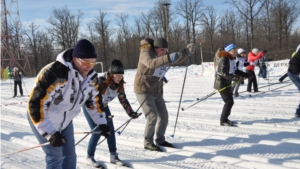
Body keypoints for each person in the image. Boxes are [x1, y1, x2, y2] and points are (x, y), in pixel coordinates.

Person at [27, 39, 111, 169]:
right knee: (56, 157)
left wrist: (102, 123)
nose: (89, 66)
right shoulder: (54, 73)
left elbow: (94, 101)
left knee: (70, 156)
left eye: (93, 63)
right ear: (74, 58)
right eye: (86, 62)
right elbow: (36, 103)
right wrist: (50, 133)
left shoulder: (91, 77)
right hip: (43, 117)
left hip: (66, 121)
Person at [135, 37, 195, 151]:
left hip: (156, 90)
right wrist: (168, 57)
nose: (164, 52)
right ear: (155, 48)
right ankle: (148, 142)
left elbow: (174, 59)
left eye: (166, 50)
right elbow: (151, 63)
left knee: (164, 115)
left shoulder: (163, 55)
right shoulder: (146, 52)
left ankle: (160, 139)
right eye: (162, 50)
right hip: (143, 89)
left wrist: (186, 52)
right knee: (152, 116)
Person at [82, 59, 139, 168]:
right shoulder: (101, 81)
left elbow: (123, 99)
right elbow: (89, 96)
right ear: (111, 74)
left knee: (110, 131)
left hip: (104, 107)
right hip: (91, 107)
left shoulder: (119, 84)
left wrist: (130, 112)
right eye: (117, 75)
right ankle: (89, 157)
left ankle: (113, 156)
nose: (119, 77)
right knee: (98, 131)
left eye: (121, 75)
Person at [214, 43, 251, 126]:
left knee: (230, 102)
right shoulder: (224, 59)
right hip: (221, 83)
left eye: (235, 50)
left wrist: (246, 75)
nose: (235, 52)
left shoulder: (231, 59)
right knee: (229, 102)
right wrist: (236, 78)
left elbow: (235, 71)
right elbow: (223, 72)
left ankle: (225, 119)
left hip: (227, 82)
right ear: (228, 51)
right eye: (233, 51)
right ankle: (223, 121)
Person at [287, 45, 300, 117]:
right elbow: (293, 63)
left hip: (293, 73)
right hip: (293, 74)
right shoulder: (298, 55)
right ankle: (298, 112)